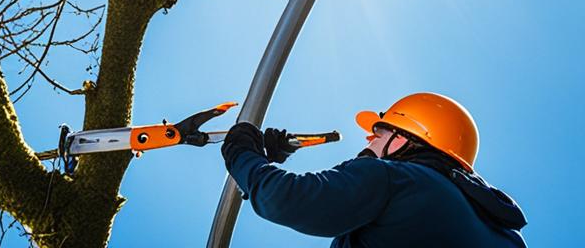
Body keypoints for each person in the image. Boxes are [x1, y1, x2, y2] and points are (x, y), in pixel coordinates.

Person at [221, 92, 527, 247]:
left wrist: (242, 153)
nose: (369, 139)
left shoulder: (394, 180)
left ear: (406, 138)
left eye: (379, 133)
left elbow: (285, 198)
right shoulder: (506, 236)